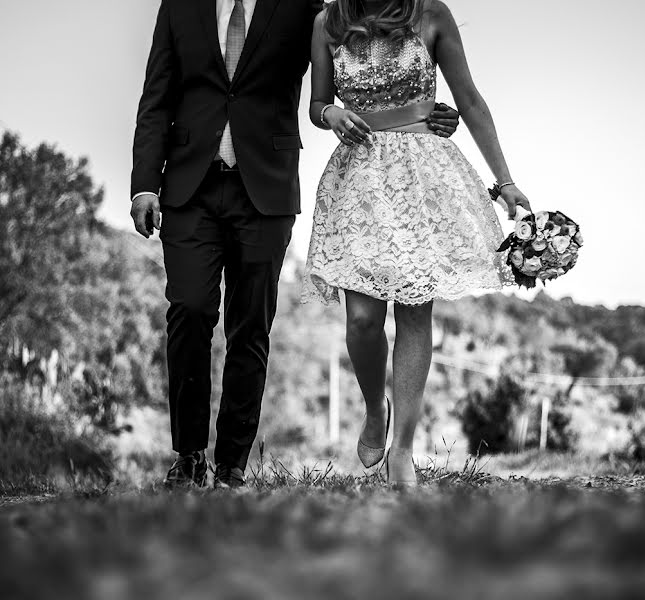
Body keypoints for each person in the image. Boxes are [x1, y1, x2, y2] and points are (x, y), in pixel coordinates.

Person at [129, 0, 461, 488]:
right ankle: (189, 454)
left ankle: (232, 464)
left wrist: (415, 112)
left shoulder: (303, 7)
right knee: (190, 309)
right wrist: (144, 184)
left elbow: (367, 34)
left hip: (266, 189)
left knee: (250, 325)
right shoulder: (180, 5)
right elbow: (155, 94)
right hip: (187, 187)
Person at [302, 0, 531, 486]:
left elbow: (468, 99)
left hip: (422, 178)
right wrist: (332, 113)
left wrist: (505, 180)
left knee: (413, 312)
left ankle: (402, 449)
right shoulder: (328, 22)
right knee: (363, 319)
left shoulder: (430, 14)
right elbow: (315, 104)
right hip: (359, 180)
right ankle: (373, 411)